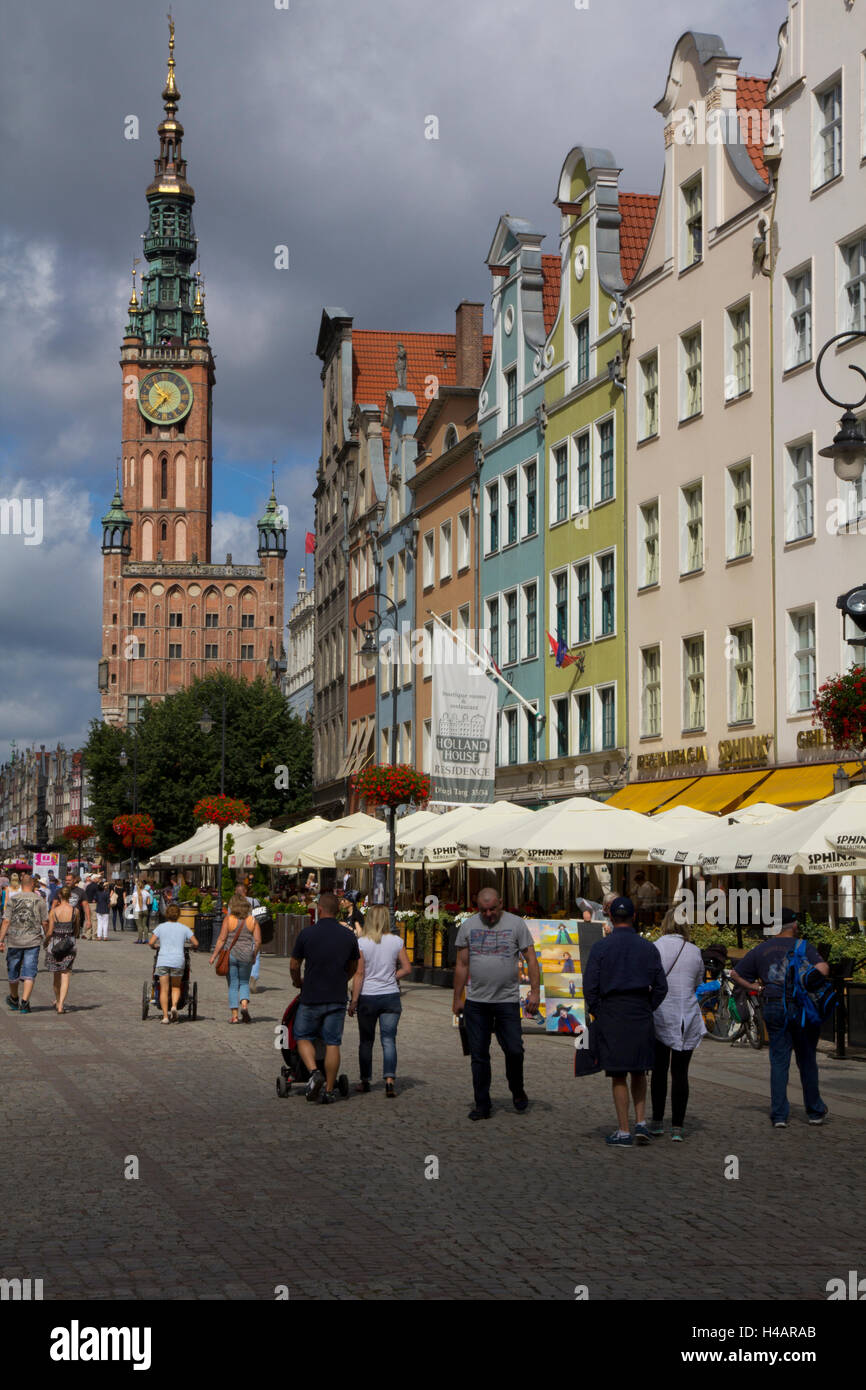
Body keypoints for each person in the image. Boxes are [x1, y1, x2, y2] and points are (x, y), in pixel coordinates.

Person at [731, 908, 829, 1128]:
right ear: (794, 926)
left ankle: (779, 1115)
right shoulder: (803, 947)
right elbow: (823, 969)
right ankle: (814, 1112)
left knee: (778, 1060)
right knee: (807, 1060)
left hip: (774, 1005)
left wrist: (756, 986)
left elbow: (736, 973)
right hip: (802, 1008)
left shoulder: (761, 949)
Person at [583, 896, 668, 1147]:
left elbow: (590, 987)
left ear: (610, 917)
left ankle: (623, 1130)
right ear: (633, 917)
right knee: (640, 1069)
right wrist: (647, 1006)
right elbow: (661, 987)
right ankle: (641, 1123)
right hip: (640, 1010)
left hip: (613, 1012)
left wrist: (600, 1011)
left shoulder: (601, 947)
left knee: (618, 1073)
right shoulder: (648, 948)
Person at [452, 887, 540, 1121]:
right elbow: (462, 965)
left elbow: (530, 958)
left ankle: (517, 1088)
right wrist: (457, 998)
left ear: (501, 903)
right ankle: (482, 1104)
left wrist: (534, 992)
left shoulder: (516, 924)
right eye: (483, 910)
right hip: (476, 1002)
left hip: (507, 1001)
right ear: (476, 907)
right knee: (479, 1055)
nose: (489, 914)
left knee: (514, 1049)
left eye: (492, 909)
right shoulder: (469, 926)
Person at [290, 890, 360, 1104]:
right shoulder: (348, 936)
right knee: (332, 1043)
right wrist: (342, 978)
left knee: (301, 1035)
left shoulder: (307, 934)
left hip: (311, 995)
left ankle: (313, 1072)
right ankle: (329, 1090)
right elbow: (354, 967)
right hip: (337, 997)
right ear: (338, 910)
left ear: (319, 910)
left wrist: (297, 981)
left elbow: (294, 965)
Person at [646, 911, 706, 1141]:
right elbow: (698, 981)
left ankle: (658, 1121)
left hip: (662, 1014)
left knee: (659, 1070)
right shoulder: (694, 951)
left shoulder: (656, 948)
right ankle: (678, 1126)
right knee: (681, 1072)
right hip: (687, 1016)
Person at [347, 904, 412, 1097]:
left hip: (368, 996)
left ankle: (365, 1081)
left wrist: (354, 1000)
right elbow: (407, 968)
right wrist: (392, 977)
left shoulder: (362, 943)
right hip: (390, 996)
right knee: (388, 1039)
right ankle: (390, 1080)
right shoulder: (397, 941)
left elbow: (359, 974)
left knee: (366, 1041)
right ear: (386, 919)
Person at [0, 874, 49, 1014]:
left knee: (13, 970)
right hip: (32, 940)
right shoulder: (40, 900)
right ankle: (25, 1002)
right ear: (33, 884)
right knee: (29, 970)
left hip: (14, 941)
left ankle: (14, 997)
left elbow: (6, 921)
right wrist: (47, 938)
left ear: (21, 884)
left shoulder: (13, 899)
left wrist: (1, 940)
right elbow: (45, 922)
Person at [209, 892, 261, 1023]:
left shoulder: (228, 919)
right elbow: (258, 941)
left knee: (233, 984)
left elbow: (221, 939)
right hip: (246, 956)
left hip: (231, 954)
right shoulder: (252, 920)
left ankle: (234, 1016)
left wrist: (214, 956)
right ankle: (244, 1005)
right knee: (244, 982)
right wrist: (254, 954)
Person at [149, 902, 198, 1024]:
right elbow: (196, 943)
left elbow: (151, 942)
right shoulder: (184, 928)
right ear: (178, 915)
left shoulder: (161, 927)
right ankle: (174, 1007)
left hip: (163, 960)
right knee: (176, 986)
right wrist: (191, 946)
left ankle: (165, 1016)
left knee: (164, 989)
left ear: (167, 914)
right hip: (177, 960)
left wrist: (155, 946)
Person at [43, 885, 81, 1013]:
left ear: (59, 895)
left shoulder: (53, 911)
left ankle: (58, 1000)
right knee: (66, 974)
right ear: (70, 896)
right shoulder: (75, 911)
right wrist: (72, 936)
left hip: (55, 944)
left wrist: (46, 942)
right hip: (69, 943)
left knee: (56, 975)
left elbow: (49, 931)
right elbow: (77, 930)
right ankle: (61, 1005)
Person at [130, 878, 151, 943]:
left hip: (137, 910)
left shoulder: (135, 894)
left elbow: (133, 904)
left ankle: (140, 939)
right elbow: (148, 903)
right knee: (144, 925)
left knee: (139, 926)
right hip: (145, 910)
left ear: (137, 886)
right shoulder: (147, 893)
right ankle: (147, 939)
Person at [93, 876, 112, 941]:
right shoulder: (106, 894)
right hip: (105, 909)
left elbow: (94, 900)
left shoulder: (97, 893)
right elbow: (108, 902)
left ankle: (99, 936)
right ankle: (105, 936)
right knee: (105, 923)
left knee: (99, 923)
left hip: (99, 909)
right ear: (103, 888)